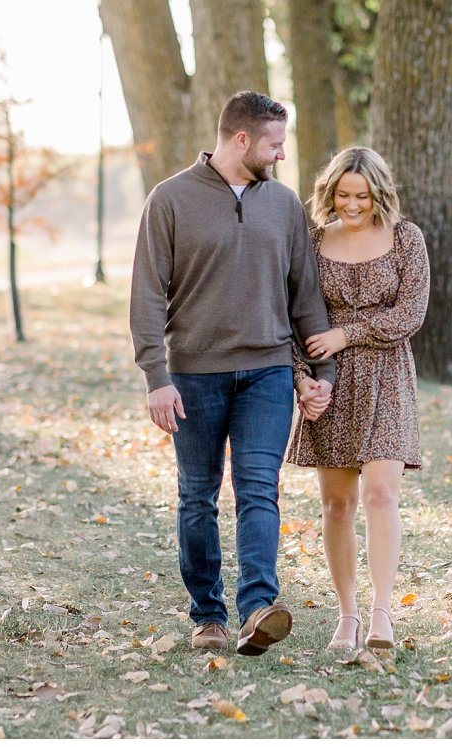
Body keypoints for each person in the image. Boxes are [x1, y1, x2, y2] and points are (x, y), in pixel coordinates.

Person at [129, 91, 336, 656]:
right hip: (193, 376)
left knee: (258, 491)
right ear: (241, 139)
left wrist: (322, 371)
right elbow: (147, 295)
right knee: (198, 495)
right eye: (275, 143)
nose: (282, 155)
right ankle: (208, 616)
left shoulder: (285, 204)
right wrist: (156, 376)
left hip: (268, 373)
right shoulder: (169, 200)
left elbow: (305, 295)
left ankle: (257, 610)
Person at [287, 146, 429, 651]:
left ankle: (381, 614)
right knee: (337, 503)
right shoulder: (312, 241)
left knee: (381, 494)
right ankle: (346, 615)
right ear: (330, 193)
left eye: (361, 196)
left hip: (387, 376)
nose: (351, 205)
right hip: (332, 381)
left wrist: (347, 334)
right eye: (342, 195)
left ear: (379, 194)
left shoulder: (406, 239)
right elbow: (296, 317)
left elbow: (411, 313)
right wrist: (305, 378)